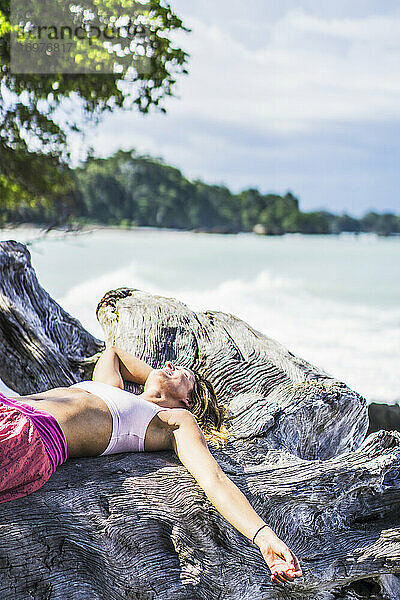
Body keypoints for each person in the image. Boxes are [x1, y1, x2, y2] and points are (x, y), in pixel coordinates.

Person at [0, 346, 302, 585]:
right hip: (8, 406)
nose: (170, 366)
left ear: (188, 401)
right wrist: (157, 379)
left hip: (28, 437)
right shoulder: (112, 388)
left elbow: (213, 479)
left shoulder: (171, 422)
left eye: (183, 374)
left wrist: (264, 536)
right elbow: (113, 353)